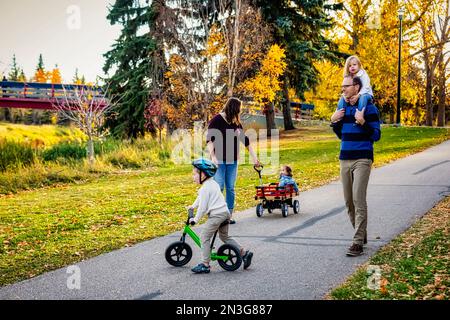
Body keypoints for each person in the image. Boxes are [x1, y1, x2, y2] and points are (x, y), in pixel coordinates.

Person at [330, 76, 381, 257]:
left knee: (359, 200)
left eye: (346, 86)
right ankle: (362, 235)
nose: (343, 89)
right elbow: (341, 134)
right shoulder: (343, 108)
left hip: (362, 159)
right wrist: (333, 122)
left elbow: (376, 135)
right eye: (342, 86)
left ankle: (357, 242)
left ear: (356, 87)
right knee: (349, 202)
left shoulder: (369, 108)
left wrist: (362, 121)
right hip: (345, 158)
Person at [188, 158, 253, 274]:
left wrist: (195, 219)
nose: (193, 177)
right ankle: (243, 253)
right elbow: (200, 199)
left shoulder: (205, 189)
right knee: (224, 236)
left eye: (195, 174)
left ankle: (205, 264)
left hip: (216, 216)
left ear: (204, 174)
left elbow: (202, 208)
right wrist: (192, 206)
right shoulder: (213, 184)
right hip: (225, 213)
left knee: (204, 237)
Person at [207, 97, 260, 224]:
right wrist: (213, 156)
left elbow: (245, 141)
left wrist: (255, 158)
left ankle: (228, 215)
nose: (239, 113)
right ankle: (215, 213)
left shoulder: (235, 122)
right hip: (218, 160)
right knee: (219, 186)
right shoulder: (217, 120)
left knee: (230, 188)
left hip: (232, 161)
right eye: (238, 110)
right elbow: (209, 140)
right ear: (232, 109)